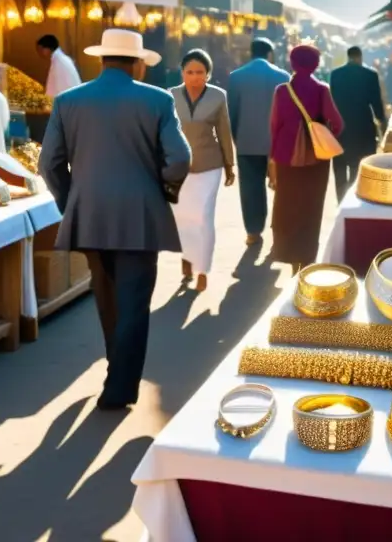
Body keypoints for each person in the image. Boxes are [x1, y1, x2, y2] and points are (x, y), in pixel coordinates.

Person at [39, 29, 190, 411]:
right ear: (138, 63)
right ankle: (120, 385)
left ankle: (116, 372)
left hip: (89, 212)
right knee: (134, 302)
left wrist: (71, 199)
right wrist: (164, 189)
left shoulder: (69, 101)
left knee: (107, 299)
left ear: (102, 59)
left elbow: (49, 163)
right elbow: (179, 158)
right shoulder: (157, 100)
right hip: (140, 214)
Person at [270, 45, 343, 272]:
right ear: (316, 64)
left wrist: (275, 152)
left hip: (286, 155)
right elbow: (338, 123)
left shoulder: (282, 91)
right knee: (312, 205)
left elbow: (274, 125)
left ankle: (289, 254)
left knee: (288, 203)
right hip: (316, 158)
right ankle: (307, 256)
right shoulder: (322, 89)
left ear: (292, 63)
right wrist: (322, 134)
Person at [170, 49, 235, 292]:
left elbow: (224, 132)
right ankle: (186, 258)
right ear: (182, 73)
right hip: (179, 167)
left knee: (204, 217)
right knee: (183, 217)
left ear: (208, 74)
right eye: (189, 72)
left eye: (200, 72)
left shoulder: (218, 96)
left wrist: (230, 165)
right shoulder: (171, 96)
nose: (195, 77)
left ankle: (203, 269)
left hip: (210, 165)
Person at [227, 38, 289, 246]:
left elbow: (232, 113)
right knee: (281, 187)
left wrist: (237, 137)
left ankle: (253, 231)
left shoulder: (236, 77)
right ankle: (279, 228)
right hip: (277, 144)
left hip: (247, 141)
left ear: (250, 52)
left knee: (250, 188)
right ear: (270, 53)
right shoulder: (283, 76)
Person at [329, 46, 386, 201]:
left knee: (340, 168)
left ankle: (341, 201)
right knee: (360, 166)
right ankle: (353, 198)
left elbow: (332, 102)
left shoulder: (335, 75)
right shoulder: (370, 75)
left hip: (340, 128)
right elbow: (376, 103)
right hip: (363, 128)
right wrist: (382, 123)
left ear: (348, 57)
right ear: (360, 57)